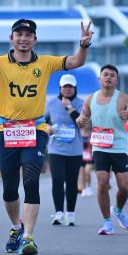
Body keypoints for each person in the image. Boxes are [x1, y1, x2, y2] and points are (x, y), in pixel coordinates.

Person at [0, 17, 93, 255]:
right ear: (11, 38)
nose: (23, 38)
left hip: (35, 130)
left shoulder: (46, 63)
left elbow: (76, 61)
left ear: (35, 39)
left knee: (30, 180)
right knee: (9, 188)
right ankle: (16, 227)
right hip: (6, 130)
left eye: (28, 35)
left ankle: (28, 237)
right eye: (19, 34)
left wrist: (84, 44)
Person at [78, 64, 128, 235]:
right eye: (105, 74)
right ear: (99, 79)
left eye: (112, 75)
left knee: (124, 187)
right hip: (100, 146)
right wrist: (80, 121)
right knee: (102, 182)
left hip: (119, 147)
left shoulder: (123, 99)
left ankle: (117, 210)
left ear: (116, 80)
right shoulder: (90, 99)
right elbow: (82, 120)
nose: (108, 77)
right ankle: (107, 223)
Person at [45, 74, 84, 227]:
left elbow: (82, 123)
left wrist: (69, 107)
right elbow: (42, 121)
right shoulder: (51, 103)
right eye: (65, 86)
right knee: (57, 179)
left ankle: (71, 214)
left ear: (75, 88)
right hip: (56, 149)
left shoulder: (81, 103)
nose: (67, 89)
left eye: (70, 86)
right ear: (60, 88)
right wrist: (47, 127)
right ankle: (59, 213)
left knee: (72, 182)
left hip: (75, 149)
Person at [78, 124, 94, 197]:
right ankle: (84, 189)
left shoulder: (92, 133)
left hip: (90, 156)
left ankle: (88, 187)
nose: (86, 125)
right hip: (81, 156)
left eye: (87, 123)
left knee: (87, 171)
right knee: (82, 172)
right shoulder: (78, 133)